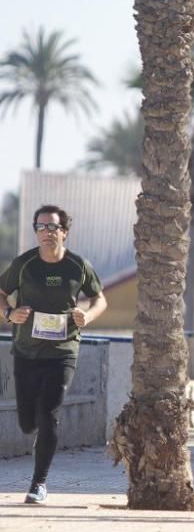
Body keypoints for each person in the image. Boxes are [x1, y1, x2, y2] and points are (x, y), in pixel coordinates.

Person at [0, 205, 107, 504]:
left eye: (53, 227)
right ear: (36, 231)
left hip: (63, 350)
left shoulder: (78, 266)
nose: (47, 232)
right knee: (27, 422)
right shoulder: (24, 264)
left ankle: (38, 483)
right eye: (41, 227)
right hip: (25, 351)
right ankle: (35, 430)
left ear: (64, 231)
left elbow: (99, 299)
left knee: (49, 414)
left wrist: (87, 315)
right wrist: (9, 313)